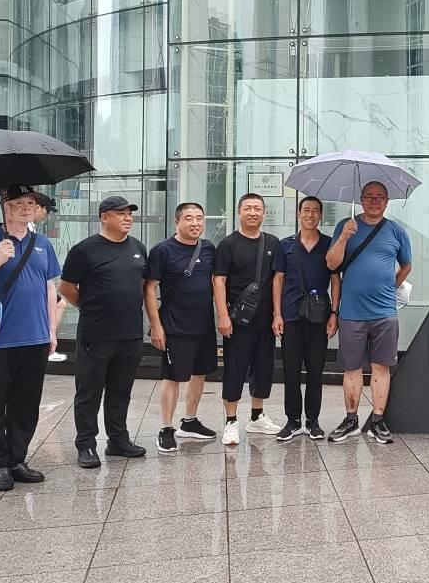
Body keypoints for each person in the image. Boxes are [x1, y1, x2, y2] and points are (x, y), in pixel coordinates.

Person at [0, 185, 61, 491]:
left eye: (31, 202)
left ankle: (17, 459)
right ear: (4, 206)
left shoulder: (42, 243)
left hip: (35, 338)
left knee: (26, 405)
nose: (27, 207)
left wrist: (51, 330)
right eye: (18, 202)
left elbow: (49, 287)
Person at [60, 196, 149, 468]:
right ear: (104, 217)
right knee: (89, 393)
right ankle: (86, 444)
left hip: (130, 334)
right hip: (96, 334)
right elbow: (66, 288)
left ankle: (118, 440)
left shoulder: (138, 247)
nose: (128, 218)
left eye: (129, 213)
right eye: (121, 213)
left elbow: (140, 284)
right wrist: (88, 307)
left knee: (120, 391)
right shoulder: (84, 250)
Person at [325, 181, 413, 445]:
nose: (374, 201)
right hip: (351, 312)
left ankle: (377, 421)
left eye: (379, 197)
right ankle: (350, 420)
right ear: (361, 199)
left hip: (384, 312)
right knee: (351, 368)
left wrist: (389, 287)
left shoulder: (396, 231)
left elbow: (406, 266)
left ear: (387, 201)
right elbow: (331, 264)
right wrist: (344, 237)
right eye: (369, 197)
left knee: (381, 367)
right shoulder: (346, 226)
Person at [144, 202, 219, 453]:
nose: (195, 223)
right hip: (175, 326)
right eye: (189, 218)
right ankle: (166, 428)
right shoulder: (162, 251)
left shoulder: (208, 248)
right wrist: (156, 326)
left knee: (200, 373)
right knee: (173, 376)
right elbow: (149, 288)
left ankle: (190, 421)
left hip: (204, 325)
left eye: (199, 218)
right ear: (177, 222)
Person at [213, 193, 283, 445]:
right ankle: (231, 422)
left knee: (263, 368)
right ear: (239, 212)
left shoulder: (273, 243)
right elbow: (218, 280)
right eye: (248, 208)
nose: (253, 213)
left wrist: (277, 314)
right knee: (235, 368)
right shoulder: (228, 244)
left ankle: (256, 416)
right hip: (238, 321)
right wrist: (223, 316)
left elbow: (277, 281)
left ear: (264, 213)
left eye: (257, 208)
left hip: (265, 320)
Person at [273, 196, 341, 441]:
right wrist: (277, 314)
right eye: (306, 210)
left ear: (320, 216)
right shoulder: (286, 245)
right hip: (291, 314)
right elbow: (278, 279)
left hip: (319, 316)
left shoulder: (329, 244)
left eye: (315, 211)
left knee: (315, 369)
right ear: (298, 214)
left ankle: (313, 421)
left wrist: (334, 313)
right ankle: (293, 421)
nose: (310, 215)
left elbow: (335, 279)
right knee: (291, 370)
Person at [31, 193, 69, 363]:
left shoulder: (34, 231)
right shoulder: (29, 229)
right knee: (59, 304)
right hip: (37, 284)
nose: (47, 215)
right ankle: (47, 343)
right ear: (38, 208)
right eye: (47, 211)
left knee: (58, 304)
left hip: (40, 282)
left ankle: (47, 341)